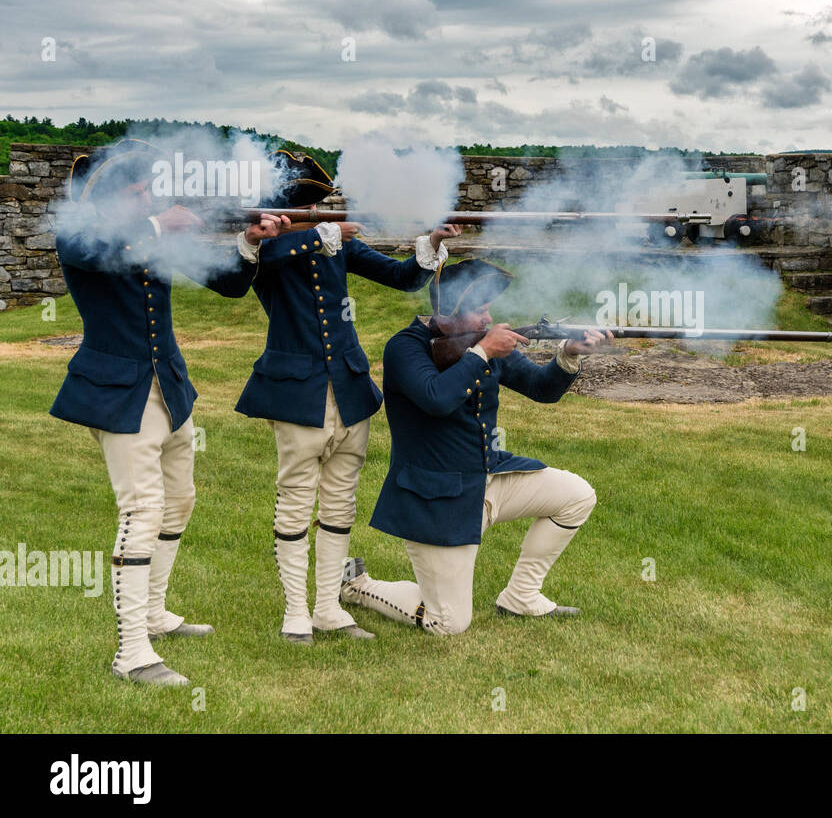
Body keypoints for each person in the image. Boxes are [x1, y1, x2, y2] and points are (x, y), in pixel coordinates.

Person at [50, 139, 289, 687]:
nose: (146, 193)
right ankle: (130, 652)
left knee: (180, 499)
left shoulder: (147, 235)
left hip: (169, 389)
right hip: (119, 394)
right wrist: (159, 225)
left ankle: (154, 616)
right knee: (141, 512)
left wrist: (250, 242)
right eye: (136, 188)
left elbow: (228, 285)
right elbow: (95, 251)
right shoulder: (82, 234)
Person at [233, 151, 461, 644]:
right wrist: (320, 234)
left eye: (321, 206)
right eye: (310, 206)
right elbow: (253, 262)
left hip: (351, 389)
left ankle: (328, 607)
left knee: (340, 505)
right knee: (295, 504)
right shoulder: (267, 250)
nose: (322, 212)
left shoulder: (333, 246)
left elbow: (402, 278)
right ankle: (296, 611)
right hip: (299, 396)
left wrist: (433, 243)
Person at [340, 258, 611, 635]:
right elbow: (437, 398)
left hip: (486, 478)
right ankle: (358, 585)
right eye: (479, 310)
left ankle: (521, 596)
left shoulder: (479, 344)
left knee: (578, 495)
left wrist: (568, 354)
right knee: (448, 623)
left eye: (488, 309)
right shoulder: (405, 348)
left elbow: (540, 388)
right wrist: (482, 352)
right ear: (446, 312)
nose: (488, 319)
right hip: (437, 500)